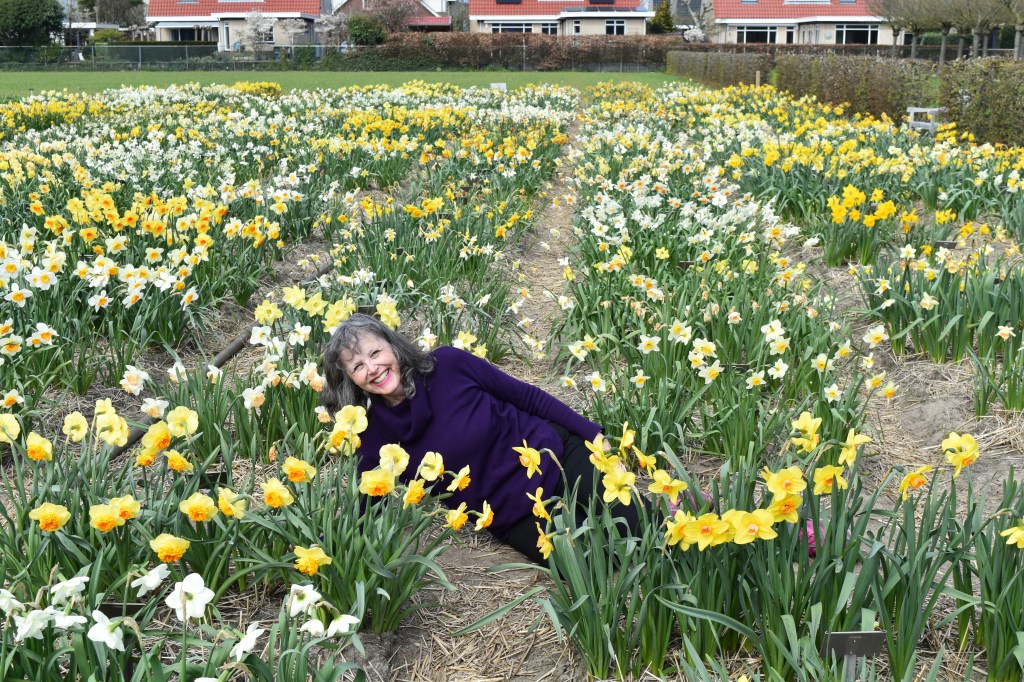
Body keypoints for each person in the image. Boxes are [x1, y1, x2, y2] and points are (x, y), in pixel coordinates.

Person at [321, 314, 642, 564]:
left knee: (639, 528)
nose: (373, 368)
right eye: (358, 366)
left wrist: (591, 433)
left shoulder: (447, 364)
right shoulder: (373, 434)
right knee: (588, 562)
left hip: (554, 456)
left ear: (393, 346)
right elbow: (367, 506)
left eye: (375, 352)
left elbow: (527, 397)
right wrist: (339, 556)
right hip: (511, 512)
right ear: (352, 381)